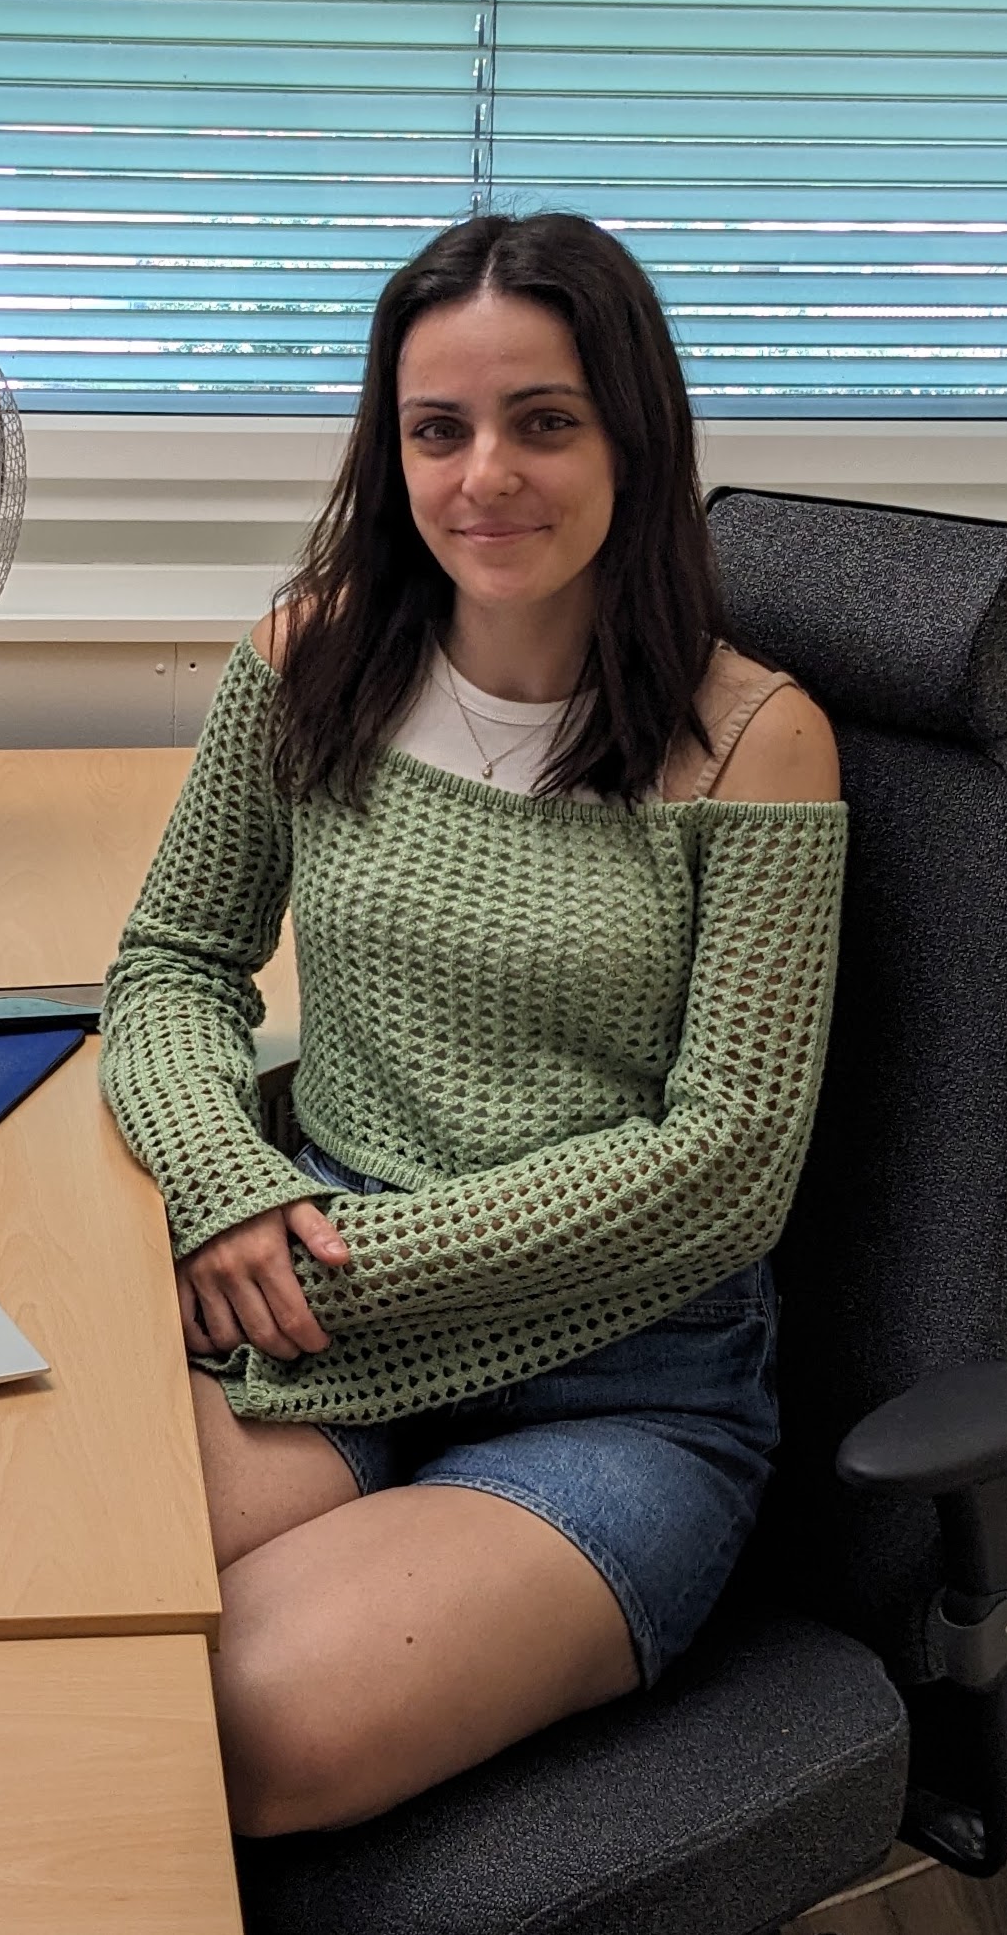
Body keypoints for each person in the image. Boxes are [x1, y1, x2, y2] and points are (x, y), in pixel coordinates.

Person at [100, 211, 846, 1839]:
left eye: (545, 421)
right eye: (439, 429)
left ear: (632, 438)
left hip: (623, 1379)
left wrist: (318, 1265)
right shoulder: (310, 658)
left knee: (243, 1717)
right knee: (71, 1591)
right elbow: (171, 963)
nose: (485, 474)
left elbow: (723, 1169)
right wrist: (229, 1180)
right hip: (329, 1310)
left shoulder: (755, 742)